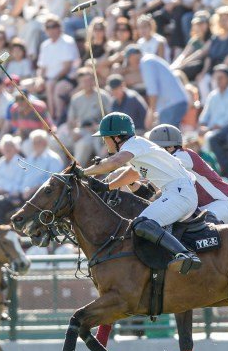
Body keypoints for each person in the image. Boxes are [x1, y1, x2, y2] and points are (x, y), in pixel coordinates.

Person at [81, 112, 202, 274]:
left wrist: (83, 172)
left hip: (178, 193)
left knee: (141, 223)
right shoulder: (137, 149)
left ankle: (185, 255)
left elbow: (115, 162)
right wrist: (107, 186)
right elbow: (132, 174)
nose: (104, 141)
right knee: (145, 228)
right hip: (178, 193)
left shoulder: (134, 144)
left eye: (105, 137)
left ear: (117, 137)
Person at [148, 124, 228, 223]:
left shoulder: (182, 155)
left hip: (223, 204)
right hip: (202, 210)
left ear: (170, 147)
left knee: (204, 224)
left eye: (156, 149)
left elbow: (160, 172)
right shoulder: (178, 157)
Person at [124, 44, 189, 129]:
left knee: (167, 139)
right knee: (170, 137)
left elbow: (153, 91)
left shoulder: (146, 62)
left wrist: (151, 114)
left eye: (129, 61)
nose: (130, 64)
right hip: (175, 103)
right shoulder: (150, 59)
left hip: (172, 104)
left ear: (132, 56)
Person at [59, 67, 111, 166]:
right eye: (84, 81)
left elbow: (111, 118)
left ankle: (74, 172)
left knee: (83, 144)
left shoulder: (103, 96)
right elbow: (70, 121)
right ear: (79, 82)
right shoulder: (76, 98)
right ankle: (60, 168)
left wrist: (98, 126)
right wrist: (72, 131)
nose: (87, 83)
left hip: (97, 132)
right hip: (80, 130)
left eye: (89, 80)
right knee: (54, 142)